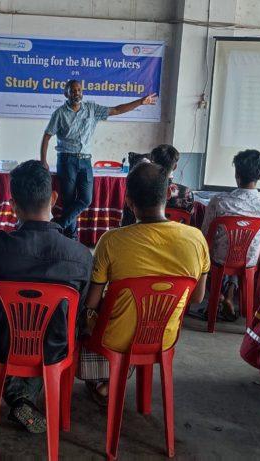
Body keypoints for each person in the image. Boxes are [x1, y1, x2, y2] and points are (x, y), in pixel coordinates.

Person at [0, 160, 92, 434]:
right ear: (54, 198)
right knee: (43, 332)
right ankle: (23, 398)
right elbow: (80, 308)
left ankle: (17, 396)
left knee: (3, 330)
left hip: (2, 344)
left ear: (12, 204)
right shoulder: (80, 255)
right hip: (55, 346)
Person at [81, 162, 209, 402]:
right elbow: (198, 297)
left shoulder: (111, 240)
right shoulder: (196, 238)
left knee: (85, 315)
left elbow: (92, 301)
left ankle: (104, 378)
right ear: (169, 192)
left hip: (115, 338)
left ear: (128, 201)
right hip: (164, 337)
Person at [40, 79, 157, 238]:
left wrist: (141, 102)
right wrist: (43, 161)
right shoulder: (59, 113)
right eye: (73, 90)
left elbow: (116, 110)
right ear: (66, 93)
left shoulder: (91, 109)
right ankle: (72, 238)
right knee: (68, 202)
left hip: (85, 161)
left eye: (79, 90)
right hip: (66, 160)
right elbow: (46, 136)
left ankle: (59, 225)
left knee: (85, 199)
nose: (77, 93)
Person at [199, 149, 260, 320]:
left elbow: (205, 235)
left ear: (236, 174)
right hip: (251, 259)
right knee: (239, 252)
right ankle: (228, 297)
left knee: (211, 255)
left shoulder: (219, 201)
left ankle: (217, 297)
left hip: (220, 258)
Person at [119, 144, 195, 226]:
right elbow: (189, 222)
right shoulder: (187, 193)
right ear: (175, 167)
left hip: (139, 235)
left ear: (152, 162)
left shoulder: (140, 187)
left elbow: (126, 222)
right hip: (176, 236)